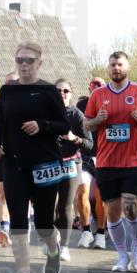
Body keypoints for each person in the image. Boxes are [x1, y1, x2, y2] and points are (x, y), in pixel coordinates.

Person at [0, 43, 70, 273]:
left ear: (39, 63)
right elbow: (1, 123)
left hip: (45, 164)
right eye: (20, 60)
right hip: (14, 165)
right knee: (18, 224)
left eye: (29, 60)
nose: (24, 65)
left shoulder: (48, 91)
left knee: (44, 224)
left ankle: (53, 249)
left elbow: (64, 125)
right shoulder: (7, 91)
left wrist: (42, 125)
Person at [84, 52, 137, 272]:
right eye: (112, 65)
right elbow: (87, 124)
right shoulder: (98, 94)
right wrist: (98, 120)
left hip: (134, 160)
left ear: (127, 67)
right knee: (113, 212)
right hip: (107, 162)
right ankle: (121, 255)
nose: (116, 68)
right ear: (108, 68)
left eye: (120, 64)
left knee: (131, 207)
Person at [53, 79, 92, 261]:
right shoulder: (45, 112)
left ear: (71, 93)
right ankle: (53, 235)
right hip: (49, 164)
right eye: (58, 90)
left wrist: (73, 138)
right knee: (47, 205)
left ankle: (65, 247)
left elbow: (89, 144)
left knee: (66, 205)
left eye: (66, 91)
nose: (62, 93)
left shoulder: (77, 115)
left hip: (71, 163)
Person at [75, 77, 108, 249]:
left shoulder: (111, 103)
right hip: (85, 154)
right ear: (89, 88)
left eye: (100, 85)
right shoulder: (81, 105)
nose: (96, 88)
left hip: (105, 153)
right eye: (93, 85)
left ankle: (101, 232)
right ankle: (86, 231)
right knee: (82, 193)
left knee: (101, 196)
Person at [0, 71, 19, 247]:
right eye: (7, 82)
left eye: (13, 82)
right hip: (4, 156)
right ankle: (4, 228)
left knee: (21, 196)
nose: (10, 85)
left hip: (23, 158)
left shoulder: (29, 104)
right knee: (3, 194)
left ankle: (21, 229)